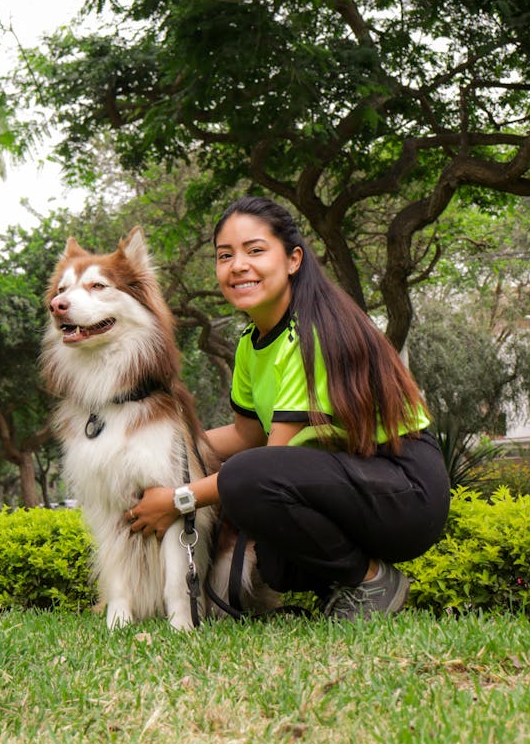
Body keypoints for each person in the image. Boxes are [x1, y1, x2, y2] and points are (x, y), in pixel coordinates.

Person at [127, 196, 451, 620]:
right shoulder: (251, 343)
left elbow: (269, 462)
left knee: (247, 480)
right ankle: (347, 585)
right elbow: (247, 435)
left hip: (404, 488)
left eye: (255, 250)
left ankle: (372, 580)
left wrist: (177, 498)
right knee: (277, 561)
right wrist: (158, 452)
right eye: (225, 256)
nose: (238, 265)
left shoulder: (310, 333)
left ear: (294, 259)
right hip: (353, 477)